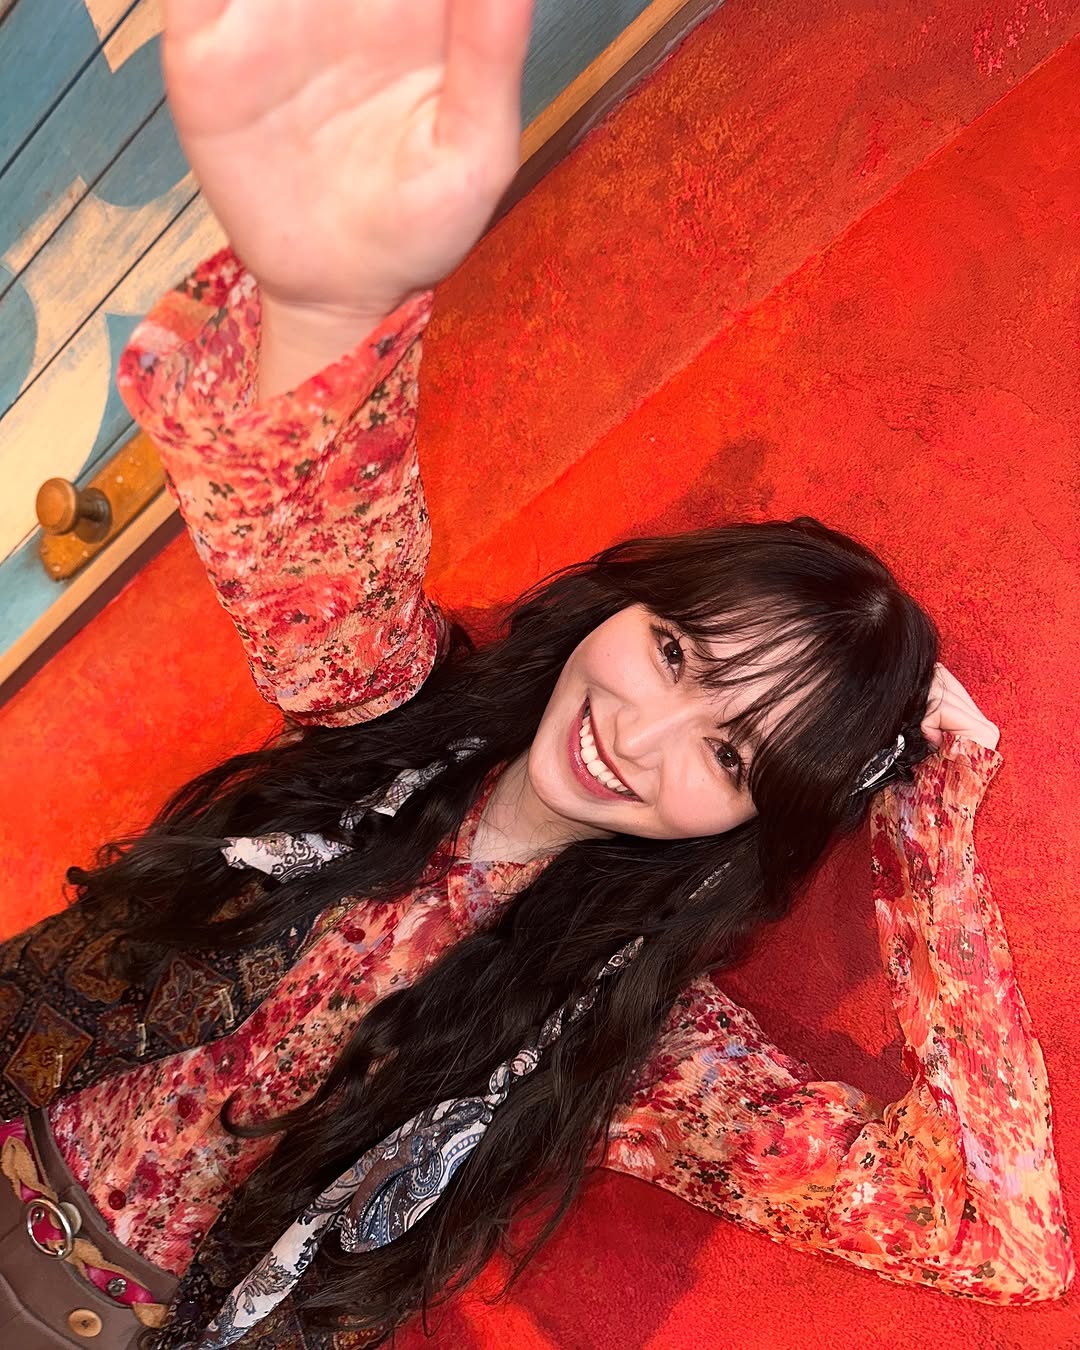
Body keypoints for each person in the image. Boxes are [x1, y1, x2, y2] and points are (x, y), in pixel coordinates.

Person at [0, 1, 1071, 1347]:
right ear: (622, 606)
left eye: (729, 753)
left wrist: (927, 843)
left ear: (756, 818)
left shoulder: (635, 1040)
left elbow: (998, 1232)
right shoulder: (394, 707)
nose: (641, 730)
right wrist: (331, 294)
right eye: (673, 652)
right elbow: (307, 518)